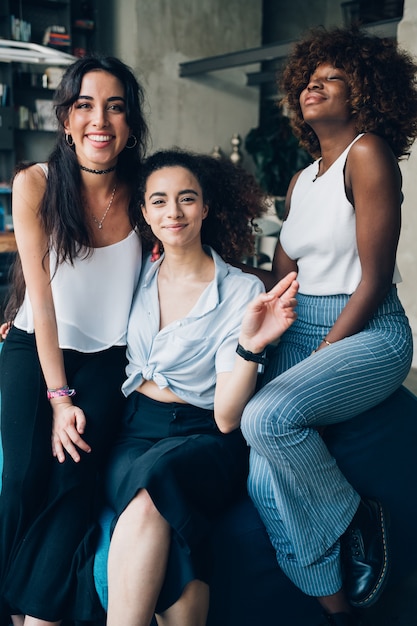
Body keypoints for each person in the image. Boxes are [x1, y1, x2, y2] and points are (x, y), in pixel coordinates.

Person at [239, 26, 417, 626]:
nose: (313, 86)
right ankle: (340, 610)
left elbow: (373, 280)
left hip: (367, 328)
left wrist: (322, 353)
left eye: (331, 77)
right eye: (308, 79)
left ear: (365, 93)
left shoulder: (367, 154)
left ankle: (355, 519)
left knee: (268, 416)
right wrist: (205, 264)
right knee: (263, 475)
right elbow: (283, 282)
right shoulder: (301, 178)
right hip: (303, 325)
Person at [102, 148, 299, 626]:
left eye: (187, 199)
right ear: (144, 212)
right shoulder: (133, 276)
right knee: (175, 533)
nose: (174, 212)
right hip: (134, 431)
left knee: (157, 488)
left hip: (203, 435)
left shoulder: (240, 292)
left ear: (206, 207)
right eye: (160, 201)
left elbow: (228, 418)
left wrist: (250, 346)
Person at [0, 55, 149, 626]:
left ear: (130, 124)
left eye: (115, 107)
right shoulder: (33, 183)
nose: (100, 120)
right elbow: (42, 295)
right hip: (38, 348)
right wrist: (59, 399)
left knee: (74, 479)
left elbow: (194, 245)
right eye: (85, 105)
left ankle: (36, 611)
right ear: (65, 118)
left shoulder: (144, 193)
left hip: (109, 361)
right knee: (20, 479)